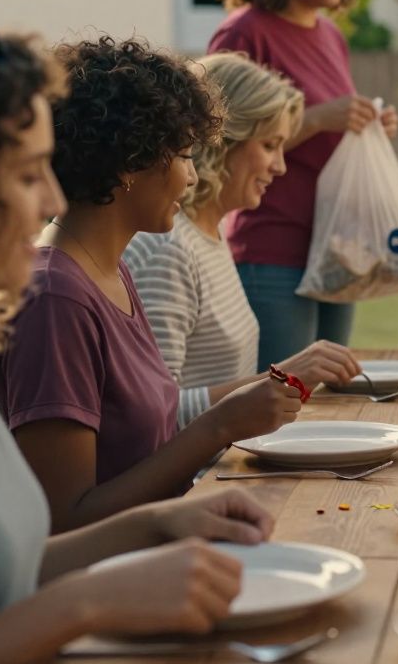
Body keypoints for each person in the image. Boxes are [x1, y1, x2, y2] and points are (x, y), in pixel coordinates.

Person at [0, 10, 274, 664]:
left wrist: (160, 524)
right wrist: (87, 603)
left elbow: (8, 567)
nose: (53, 196)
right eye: (27, 176)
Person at [0, 37, 304, 533]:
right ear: (130, 162)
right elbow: (66, 522)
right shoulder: (55, 297)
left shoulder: (110, 271)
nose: (195, 176)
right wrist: (218, 425)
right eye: (182, 156)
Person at [124, 52, 360, 429]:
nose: (281, 166)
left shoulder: (209, 237)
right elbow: (154, 420)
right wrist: (282, 378)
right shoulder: (168, 251)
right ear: (221, 143)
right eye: (269, 145)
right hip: (197, 484)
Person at [211, 0, 398, 363]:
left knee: (331, 401)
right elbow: (218, 140)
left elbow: (333, 122)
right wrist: (317, 119)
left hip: (337, 251)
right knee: (284, 400)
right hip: (274, 249)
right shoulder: (245, 32)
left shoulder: (331, 35)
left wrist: (370, 125)